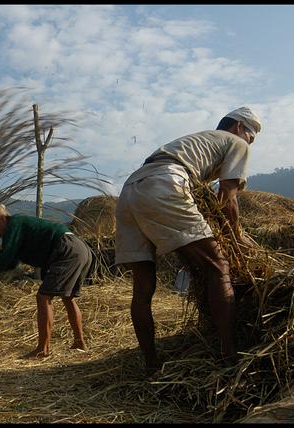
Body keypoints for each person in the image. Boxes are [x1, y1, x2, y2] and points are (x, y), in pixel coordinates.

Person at [114, 107, 261, 373]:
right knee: (219, 267)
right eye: (252, 137)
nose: (251, 143)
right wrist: (236, 237)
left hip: (130, 190)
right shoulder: (237, 142)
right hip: (165, 181)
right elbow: (228, 196)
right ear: (240, 127)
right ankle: (230, 357)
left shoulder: (200, 142)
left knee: (143, 286)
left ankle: (151, 365)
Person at [0, 203, 93, 359]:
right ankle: (80, 343)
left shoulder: (14, 224)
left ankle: (42, 350)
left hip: (66, 249)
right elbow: (12, 261)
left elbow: (6, 257)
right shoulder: (19, 227)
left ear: (1, 219)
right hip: (80, 248)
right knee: (68, 297)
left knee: (43, 297)